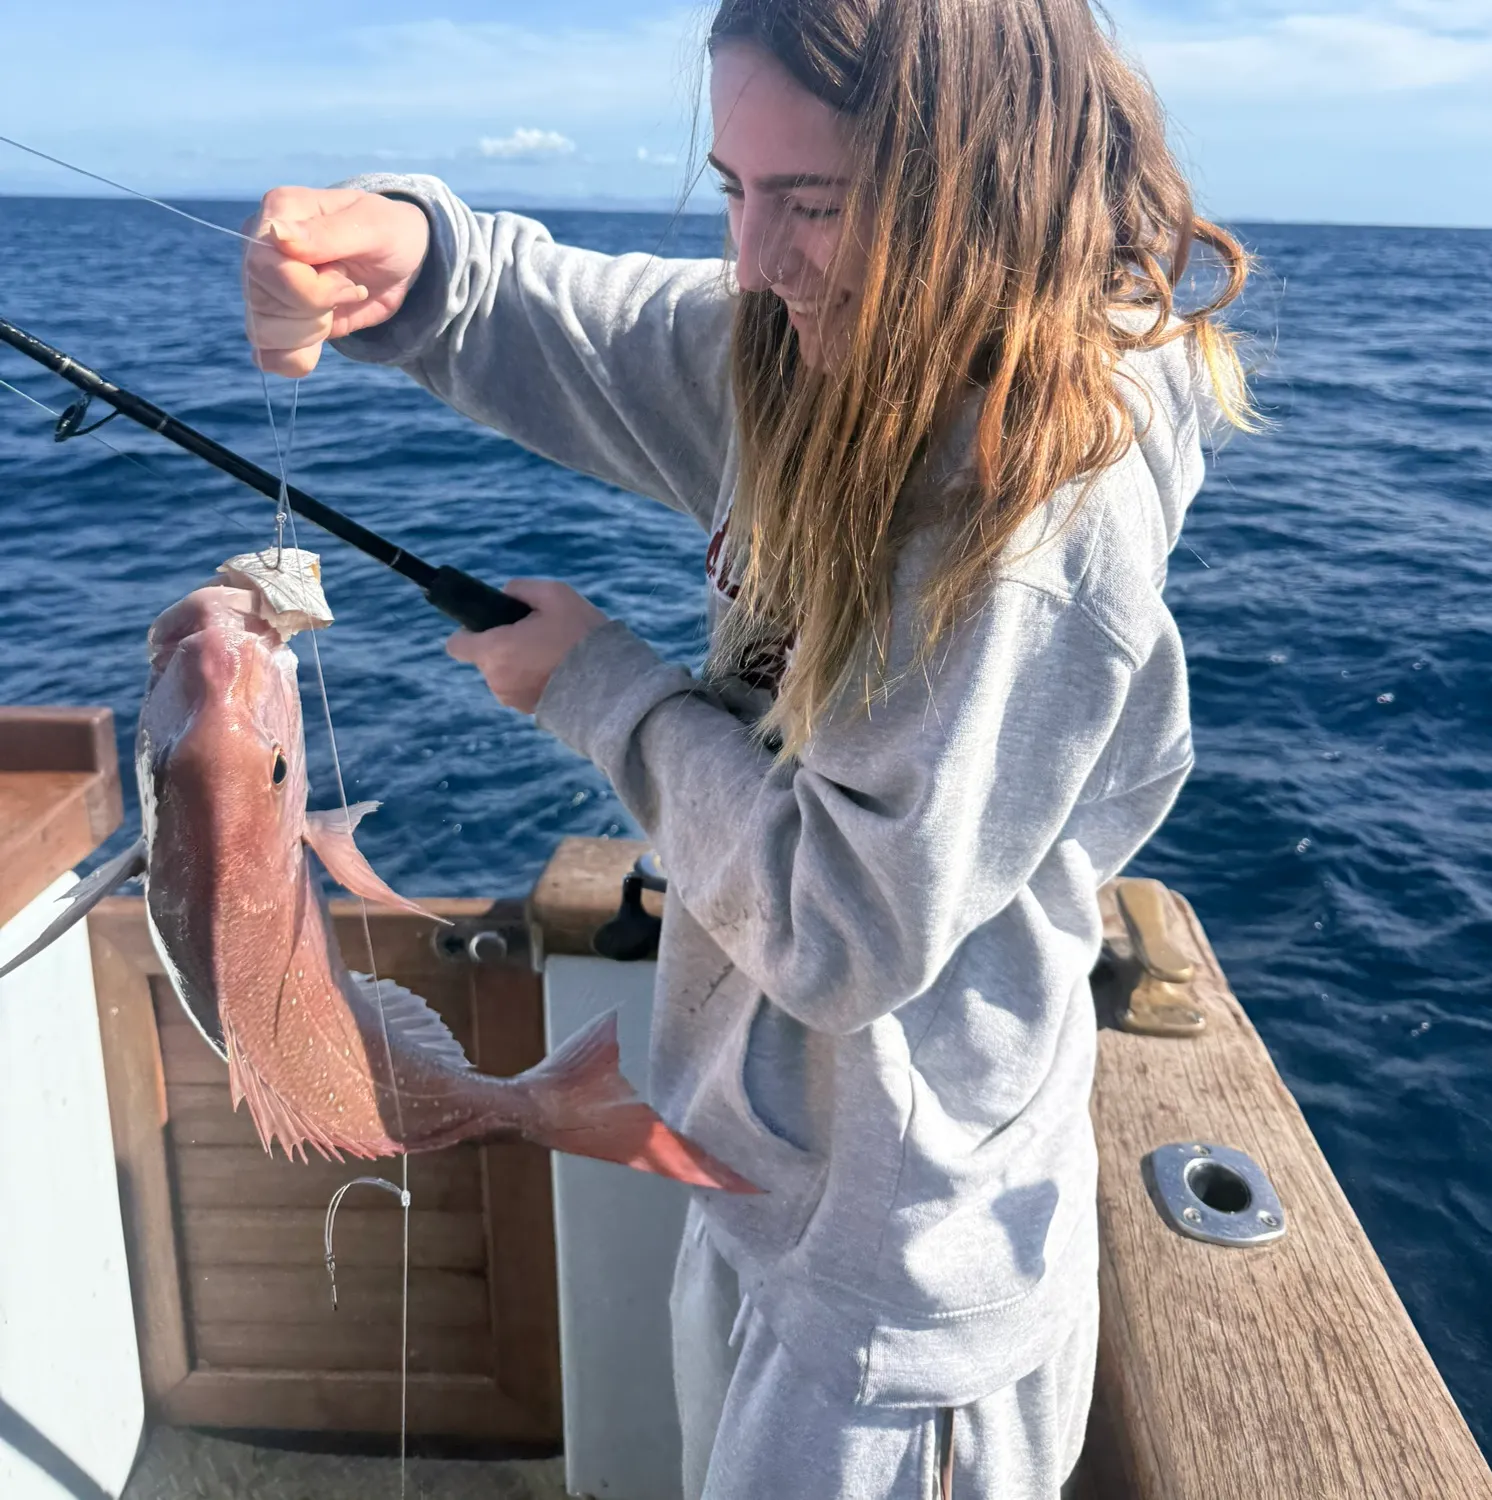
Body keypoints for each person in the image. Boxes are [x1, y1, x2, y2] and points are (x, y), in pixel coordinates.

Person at [243, 1, 1251, 1494]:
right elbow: (598, 327)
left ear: (985, 184)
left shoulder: (1036, 517)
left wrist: (598, 688)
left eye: (814, 202)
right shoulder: (822, 341)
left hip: (898, 1297)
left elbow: (847, 929)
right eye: (735, 188)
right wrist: (422, 256)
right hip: (767, 1189)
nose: (758, 258)